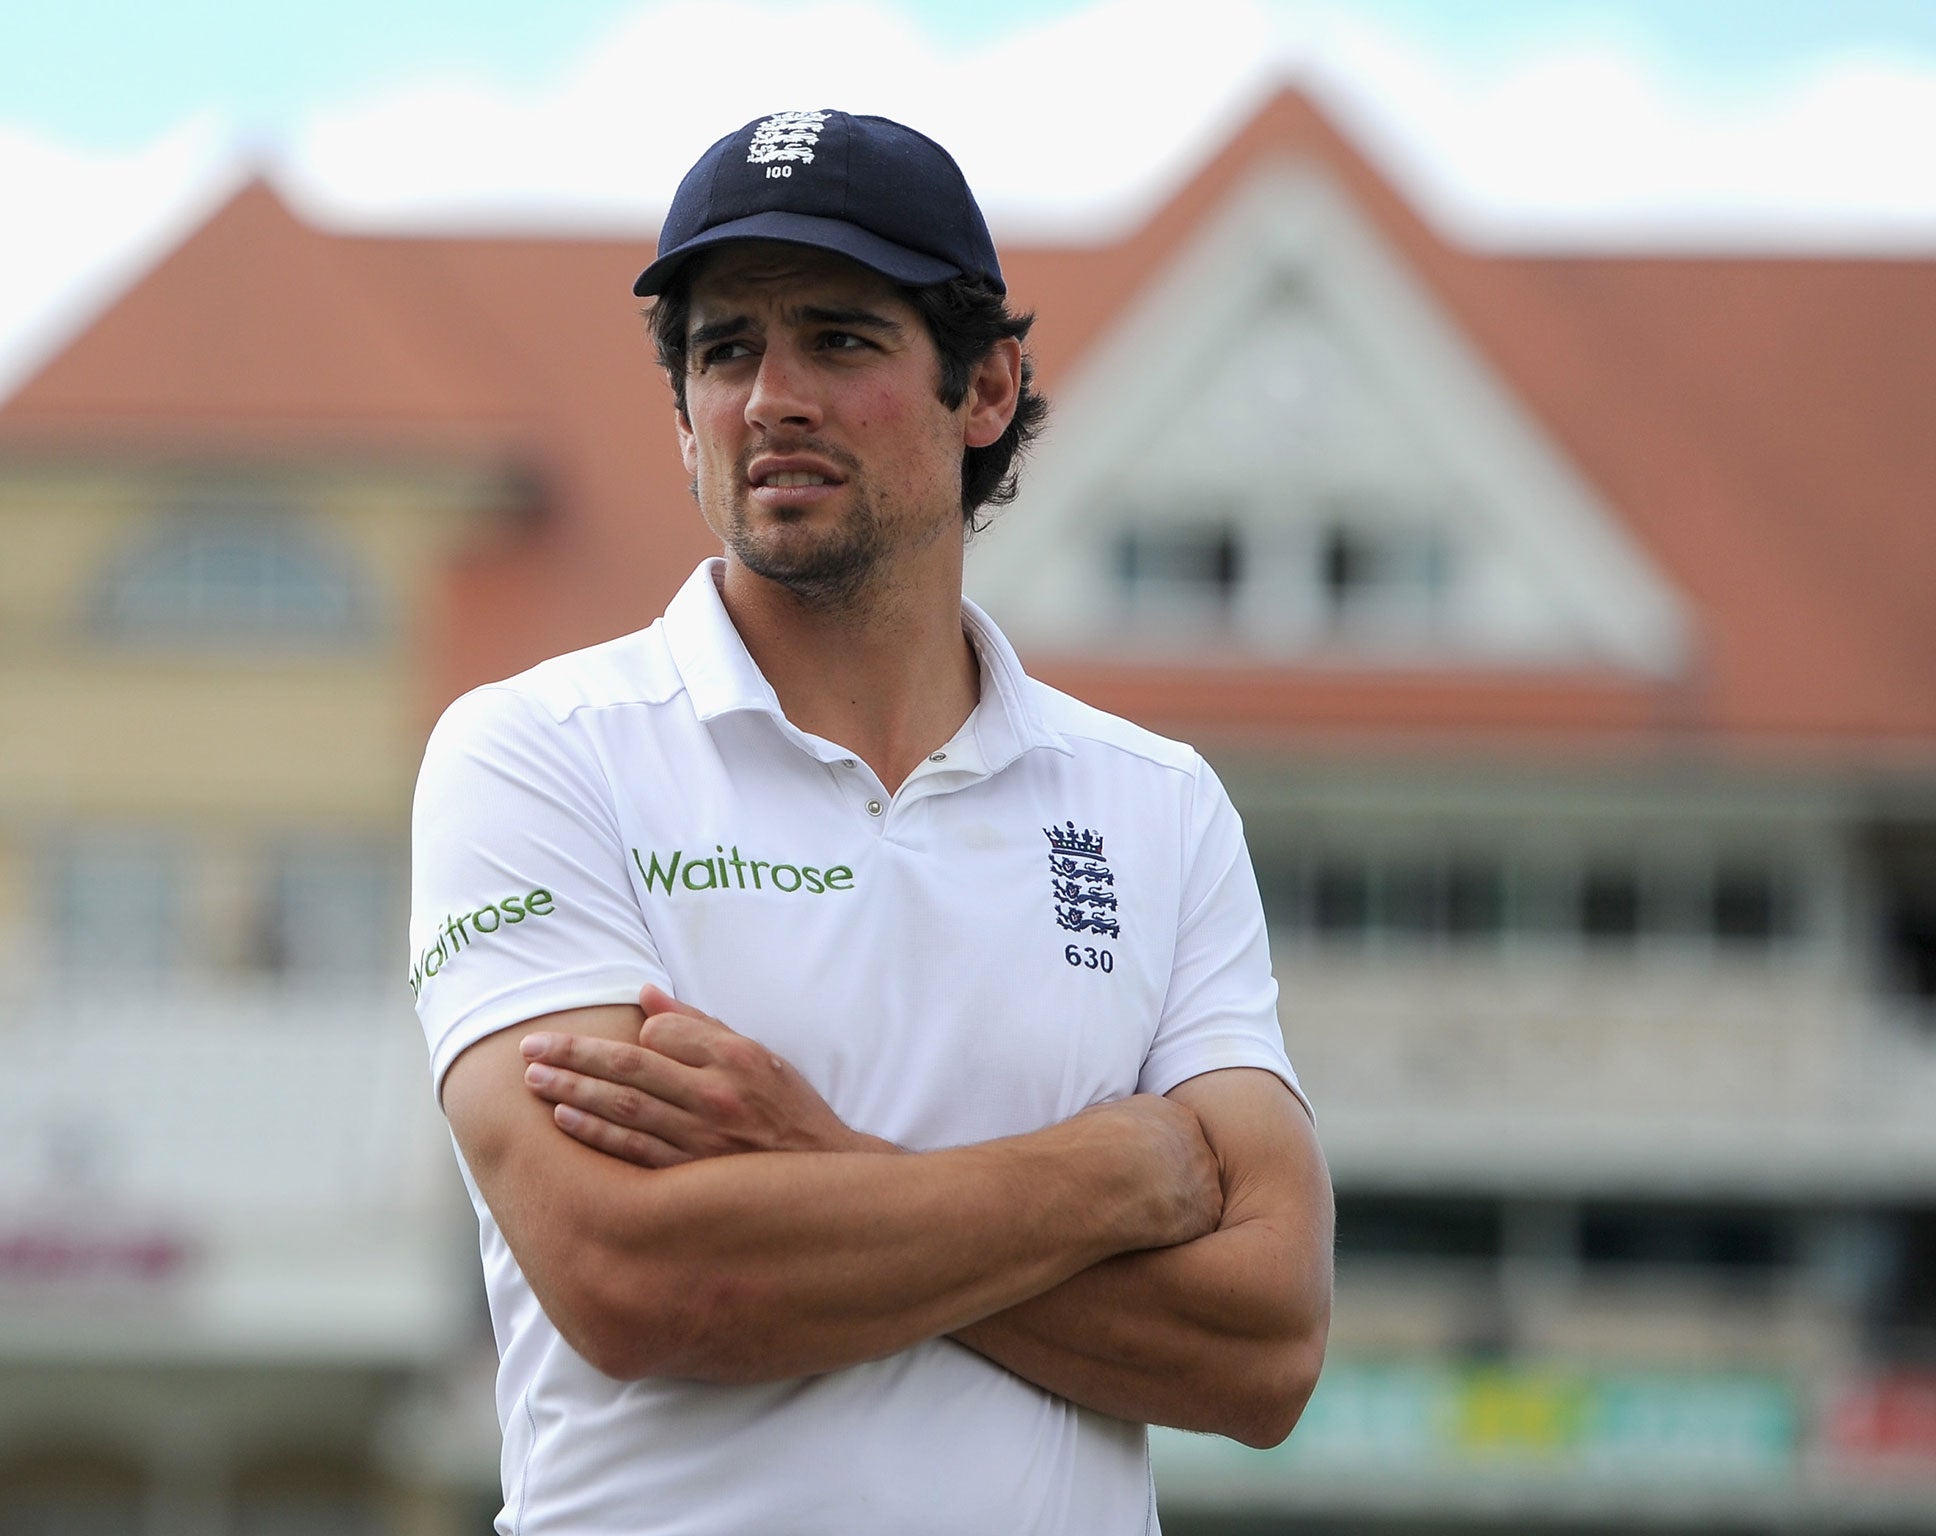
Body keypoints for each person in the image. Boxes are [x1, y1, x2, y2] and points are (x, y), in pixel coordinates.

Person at [409, 107, 1332, 1536]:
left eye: (839, 339)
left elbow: (1267, 1348)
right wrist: (1111, 1174)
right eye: (725, 351)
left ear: (985, 389)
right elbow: (638, 1283)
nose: (771, 394)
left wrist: (820, 1165)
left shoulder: (1155, 804)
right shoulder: (535, 755)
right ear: (683, 416)